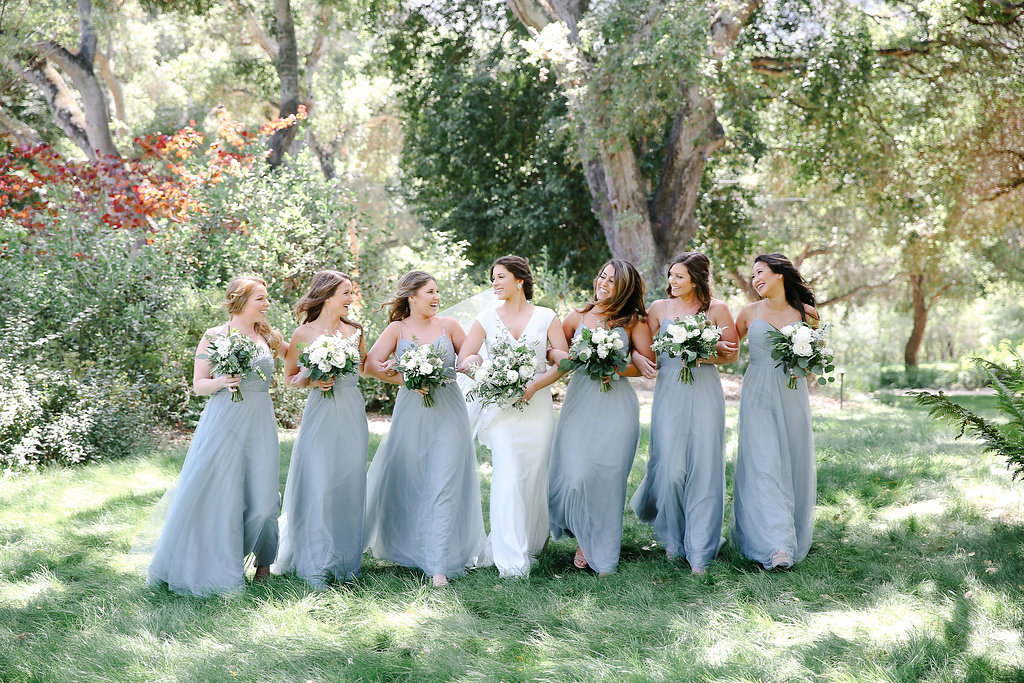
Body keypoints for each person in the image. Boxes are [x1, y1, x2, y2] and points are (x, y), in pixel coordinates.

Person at [146, 276, 285, 595]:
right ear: (240, 300)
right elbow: (198, 385)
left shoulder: (268, 336)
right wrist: (222, 380)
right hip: (224, 421)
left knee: (264, 501)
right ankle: (219, 563)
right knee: (222, 496)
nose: (266, 304)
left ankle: (264, 562)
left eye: (266, 298)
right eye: (260, 299)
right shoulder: (214, 336)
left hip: (261, 420)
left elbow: (294, 360)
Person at [362, 270, 487, 587]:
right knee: (416, 479)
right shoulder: (397, 329)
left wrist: (471, 364)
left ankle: (438, 565)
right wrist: (406, 379)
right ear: (411, 296)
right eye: (429, 292)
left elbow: (471, 357)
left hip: (449, 410)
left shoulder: (449, 326)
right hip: (412, 412)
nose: (436, 297)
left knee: (444, 482)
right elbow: (371, 366)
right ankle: (414, 548)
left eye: (437, 291)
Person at [456, 255, 569, 578]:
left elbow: (560, 360)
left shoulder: (547, 316)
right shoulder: (485, 319)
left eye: (501, 277)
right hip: (501, 407)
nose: (495, 283)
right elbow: (468, 356)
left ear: (520, 280)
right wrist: (480, 364)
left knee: (532, 476)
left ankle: (531, 543)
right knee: (508, 477)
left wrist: (536, 382)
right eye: (493, 277)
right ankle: (511, 558)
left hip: (537, 406)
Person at [629, 252, 738, 573]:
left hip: (705, 393)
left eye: (679, 276)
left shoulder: (717, 309)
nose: (672, 282)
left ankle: (701, 549)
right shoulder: (658, 309)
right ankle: (673, 539)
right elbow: (644, 350)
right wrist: (636, 359)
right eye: (670, 276)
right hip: (670, 393)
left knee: (705, 469)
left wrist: (703, 353)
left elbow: (731, 355)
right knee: (671, 470)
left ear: (696, 279)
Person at [547, 258, 655, 576]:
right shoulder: (577, 316)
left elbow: (647, 365)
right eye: (602, 277)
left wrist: (617, 361)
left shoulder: (635, 321)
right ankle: (582, 530)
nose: (603, 284)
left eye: (612, 281)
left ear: (624, 288)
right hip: (580, 404)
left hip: (617, 406)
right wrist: (570, 356)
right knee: (578, 476)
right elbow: (554, 350)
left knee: (607, 479)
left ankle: (596, 547)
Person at [271, 270, 369, 589]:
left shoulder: (356, 331)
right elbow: (290, 378)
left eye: (351, 293)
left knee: (349, 485)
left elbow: (365, 367)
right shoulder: (303, 333)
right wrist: (311, 379)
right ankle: (314, 565)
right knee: (319, 484)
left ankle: (345, 564)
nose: (351, 299)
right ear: (327, 296)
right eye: (346, 293)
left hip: (352, 414)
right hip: (320, 414)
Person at [731, 253, 819, 570]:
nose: (755, 280)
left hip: (792, 393)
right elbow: (726, 350)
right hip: (757, 393)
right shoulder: (747, 313)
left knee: (790, 462)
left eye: (760, 272)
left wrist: (807, 366)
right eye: (752, 275)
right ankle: (777, 546)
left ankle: (786, 530)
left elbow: (815, 359)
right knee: (764, 463)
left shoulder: (806, 313)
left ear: (779, 274)